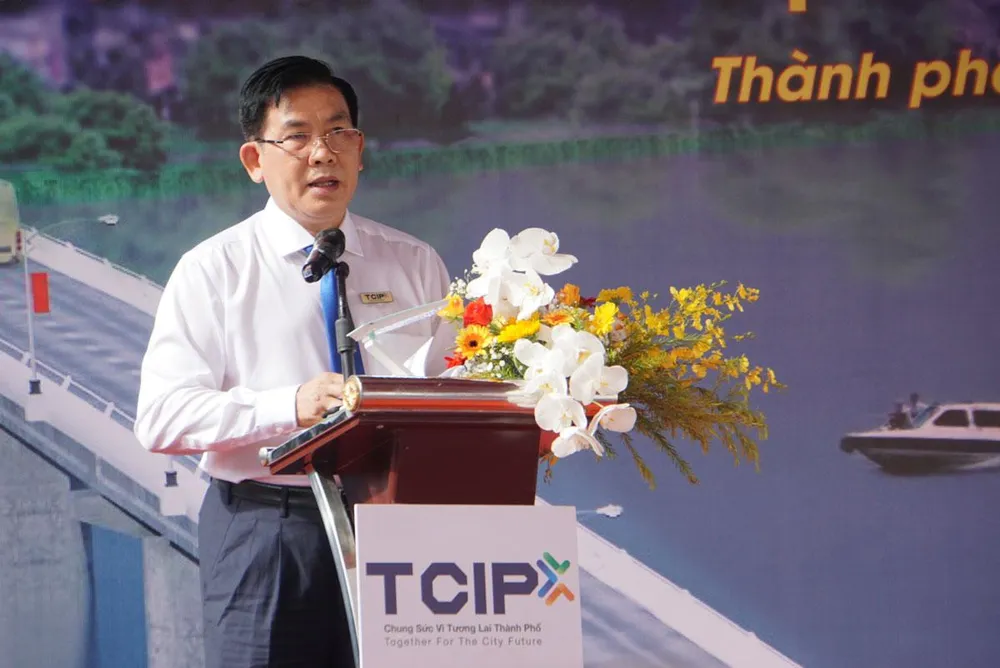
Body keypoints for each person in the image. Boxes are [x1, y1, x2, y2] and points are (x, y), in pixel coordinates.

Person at [134, 55, 455, 667]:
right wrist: (290, 406)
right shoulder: (214, 269)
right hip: (269, 529)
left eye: (338, 133)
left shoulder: (414, 262)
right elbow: (162, 417)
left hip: (403, 527)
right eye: (298, 137)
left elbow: (449, 387)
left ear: (360, 149)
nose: (322, 153)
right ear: (255, 160)